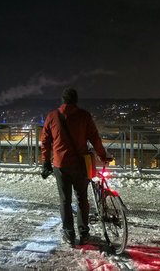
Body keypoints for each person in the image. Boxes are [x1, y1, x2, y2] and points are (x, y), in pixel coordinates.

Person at [40, 87, 112, 246]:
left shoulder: (52, 116)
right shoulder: (84, 116)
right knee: (82, 199)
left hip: (61, 165)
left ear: (63, 100)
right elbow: (95, 138)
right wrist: (103, 156)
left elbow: (45, 140)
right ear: (76, 100)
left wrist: (45, 161)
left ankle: (69, 234)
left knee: (65, 200)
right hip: (81, 165)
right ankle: (84, 233)